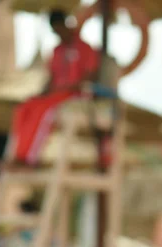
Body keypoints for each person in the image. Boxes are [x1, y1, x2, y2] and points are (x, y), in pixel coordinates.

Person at [6, 9, 99, 166]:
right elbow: (51, 78)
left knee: (43, 112)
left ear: (65, 25)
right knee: (24, 108)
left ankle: (29, 159)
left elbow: (88, 78)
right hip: (55, 95)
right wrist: (43, 92)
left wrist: (66, 88)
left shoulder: (85, 48)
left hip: (73, 95)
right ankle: (16, 155)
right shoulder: (56, 51)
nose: (58, 34)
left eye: (59, 29)